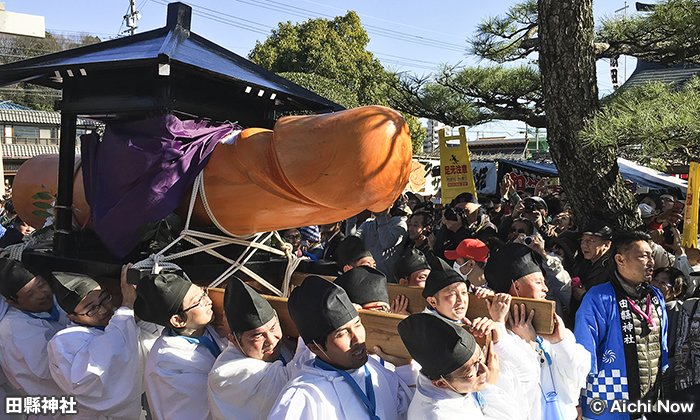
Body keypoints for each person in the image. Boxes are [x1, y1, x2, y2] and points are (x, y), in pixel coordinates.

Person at [267, 276, 415, 420]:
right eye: (342, 334)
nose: (358, 339)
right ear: (315, 348)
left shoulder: (375, 370)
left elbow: (407, 411)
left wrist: (405, 367)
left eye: (357, 324)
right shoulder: (303, 396)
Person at [485, 243, 590, 420]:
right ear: (516, 286)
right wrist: (526, 344)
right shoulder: (498, 334)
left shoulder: (552, 325)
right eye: (538, 282)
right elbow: (509, 388)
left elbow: (579, 371)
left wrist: (560, 343)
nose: (546, 289)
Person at [575, 231, 668, 420]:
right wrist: (575, 399)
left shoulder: (656, 297)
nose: (651, 262)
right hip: (607, 401)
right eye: (643, 256)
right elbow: (583, 353)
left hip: (648, 401)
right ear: (620, 259)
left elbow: (663, 348)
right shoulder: (598, 297)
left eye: (652, 256)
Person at [47, 266, 160, 420]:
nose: (103, 310)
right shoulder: (64, 341)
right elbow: (100, 368)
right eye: (92, 309)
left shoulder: (120, 322)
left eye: (105, 298)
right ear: (73, 317)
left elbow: (150, 346)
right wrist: (126, 306)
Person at [398, 312, 537, 420]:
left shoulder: (453, 385)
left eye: (480, 358)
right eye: (472, 370)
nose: (484, 370)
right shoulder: (438, 415)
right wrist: (489, 390)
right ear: (441, 383)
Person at [208, 278, 311, 420]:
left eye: (274, 327)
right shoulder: (228, 373)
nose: (271, 340)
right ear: (234, 340)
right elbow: (296, 379)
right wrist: (307, 325)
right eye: (257, 336)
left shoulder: (281, 346)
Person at [136, 273, 227, 420]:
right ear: (178, 320)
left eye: (204, 292)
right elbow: (218, 396)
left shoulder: (207, 330)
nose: (208, 301)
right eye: (199, 300)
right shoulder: (167, 364)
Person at [0, 258, 69, 417]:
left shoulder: (55, 301)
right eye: (30, 294)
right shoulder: (14, 330)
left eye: (41, 284)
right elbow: (51, 373)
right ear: (13, 302)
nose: (42, 295)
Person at [346, 206, 408, 280]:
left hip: (387, 280)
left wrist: (381, 216)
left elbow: (387, 243)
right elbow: (352, 244)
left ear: (391, 204)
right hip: (367, 278)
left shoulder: (399, 223)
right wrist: (351, 217)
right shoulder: (367, 224)